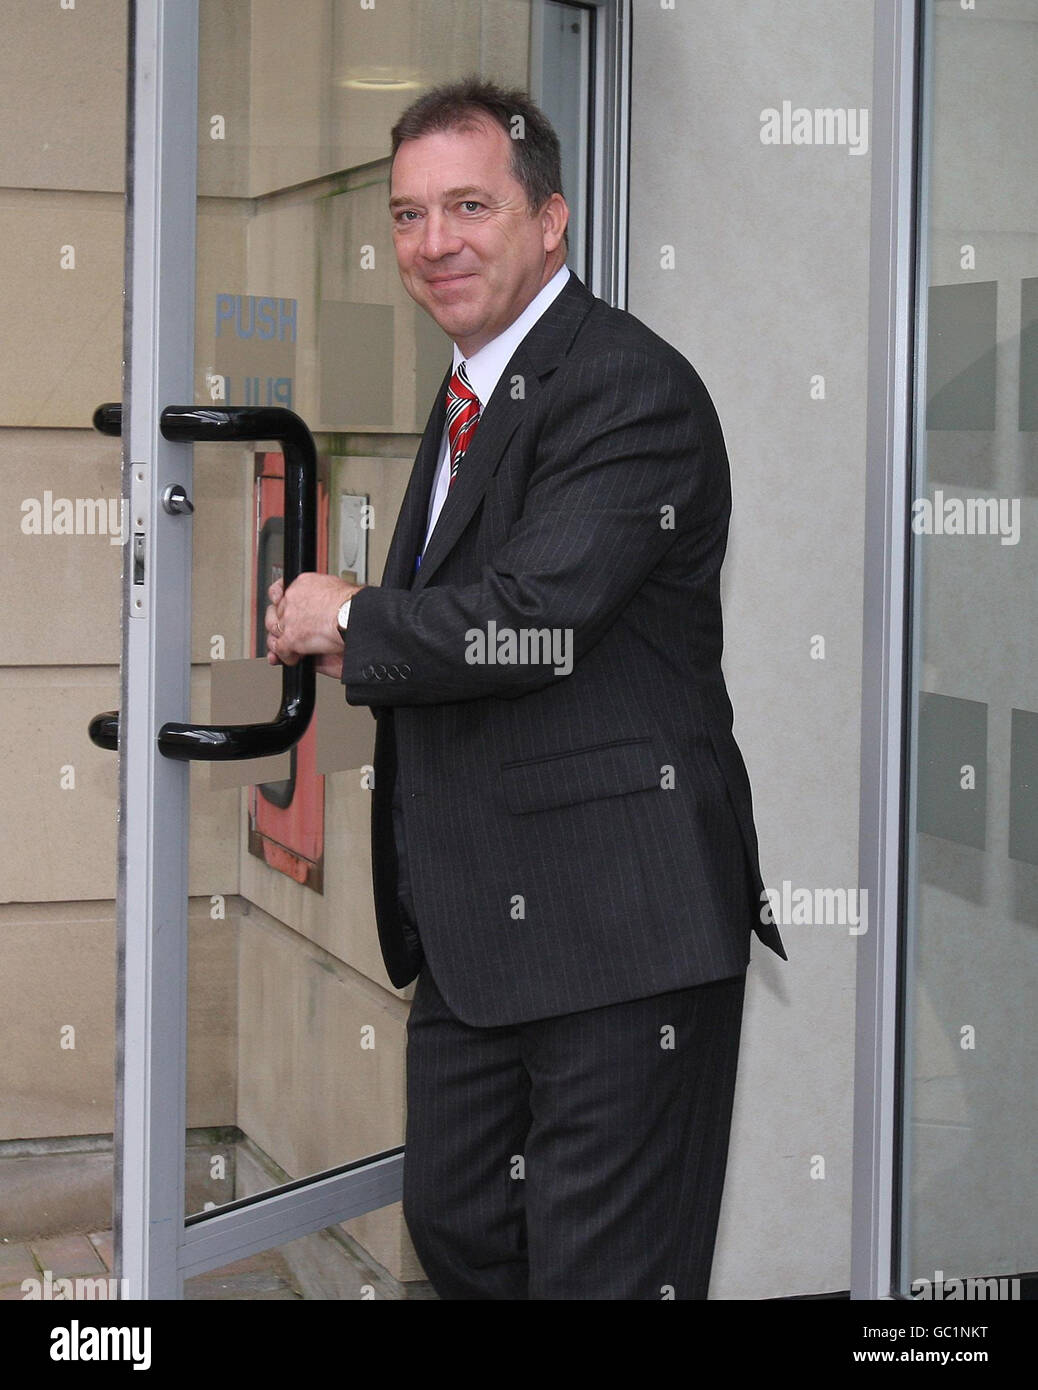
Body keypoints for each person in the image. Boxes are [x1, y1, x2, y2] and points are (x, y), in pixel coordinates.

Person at [265, 77, 786, 1301]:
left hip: (622, 932)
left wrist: (348, 616)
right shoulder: (469, 392)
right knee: (459, 1231)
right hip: (478, 932)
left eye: (467, 205)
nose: (432, 242)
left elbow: (534, 623)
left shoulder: (624, 384)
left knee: (602, 1269)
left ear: (550, 219)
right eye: (406, 215)